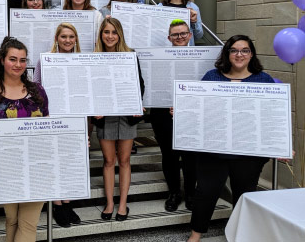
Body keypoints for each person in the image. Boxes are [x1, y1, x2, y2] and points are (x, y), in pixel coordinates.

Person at [187, 35, 274, 242]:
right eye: (234, 50)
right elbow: (200, 110)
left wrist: (281, 145)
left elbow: (271, 117)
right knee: (205, 192)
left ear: (251, 54)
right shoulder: (212, 77)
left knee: (244, 196)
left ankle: (240, 236)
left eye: (244, 50)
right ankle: (195, 235)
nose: (239, 54)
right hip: (213, 150)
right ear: (227, 53)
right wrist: (184, 111)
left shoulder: (263, 80)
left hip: (248, 153)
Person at [0, 37, 49, 242]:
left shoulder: (37, 92)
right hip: (5, 169)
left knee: (27, 224)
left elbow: (48, 128)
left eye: (23, 60)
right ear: (1, 60)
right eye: (13, 59)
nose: (18, 65)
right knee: (12, 220)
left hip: (36, 166)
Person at [94, 17, 144, 222]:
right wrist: (93, 108)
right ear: (101, 34)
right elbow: (91, 87)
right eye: (106, 32)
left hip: (126, 115)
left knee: (124, 160)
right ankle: (110, 203)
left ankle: (123, 204)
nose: (110, 36)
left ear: (120, 34)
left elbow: (139, 84)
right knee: (108, 161)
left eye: (114, 32)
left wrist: (137, 105)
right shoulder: (94, 57)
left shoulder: (130, 55)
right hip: (105, 116)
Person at [33, 23, 82, 227]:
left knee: (69, 161)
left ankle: (68, 202)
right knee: (54, 160)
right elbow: (35, 88)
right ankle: (56, 204)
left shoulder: (81, 60)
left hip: (75, 117)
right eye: (64, 37)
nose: (68, 40)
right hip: (51, 117)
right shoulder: (45, 60)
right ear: (57, 38)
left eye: (71, 37)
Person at [149, 20, 196, 213]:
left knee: (190, 155)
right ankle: (174, 192)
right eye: (175, 35)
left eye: (183, 33)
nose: (180, 37)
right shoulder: (160, 58)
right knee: (169, 155)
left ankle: (191, 193)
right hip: (162, 112)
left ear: (190, 35)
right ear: (169, 38)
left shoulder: (200, 58)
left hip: (191, 113)